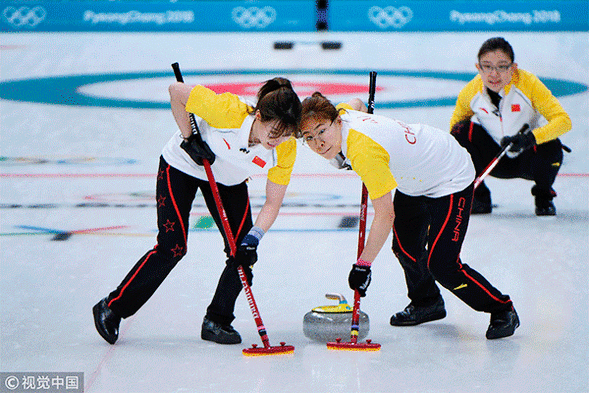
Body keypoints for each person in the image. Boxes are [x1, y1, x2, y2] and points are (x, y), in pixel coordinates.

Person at [92, 77, 302, 345]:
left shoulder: (286, 147)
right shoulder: (228, 110)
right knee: (173, 247)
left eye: (286, 134)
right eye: (274, 132)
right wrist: (190, 139)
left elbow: (273, 202)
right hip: (183, 165)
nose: (278, 140)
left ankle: (217, 320)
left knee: (244, 254)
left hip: (228, 180)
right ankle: (112, 308)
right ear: (258, 116)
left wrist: (255, 236)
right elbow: (176, 91)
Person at [299, 92, 519, 339]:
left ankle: (502, 309)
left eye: (321, 131)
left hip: (448, 175)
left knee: (443, 265)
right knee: (405, 248)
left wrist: (363, 265)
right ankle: (427, 303)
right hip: (414, 178)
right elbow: (356, 103)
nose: (318, 143)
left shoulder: (364, 152)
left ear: (338, 121)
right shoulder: (344, 113)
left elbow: (385, 215)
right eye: (309, 137)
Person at [450, 37, 572, 215]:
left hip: (529, 158)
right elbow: (453, 131)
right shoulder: (470, 91)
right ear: (478, 68)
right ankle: (478, 196)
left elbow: (563, 120)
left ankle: (544, 195)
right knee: (459, 130)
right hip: (494, 159)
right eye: (487, 66)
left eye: (502, 66)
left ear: (513, 67)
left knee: (552, 145)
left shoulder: (528, 83)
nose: (494, 74)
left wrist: (530, 138)